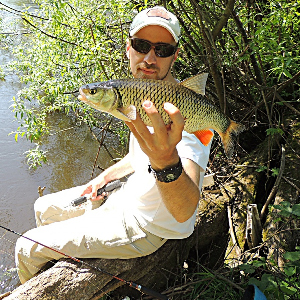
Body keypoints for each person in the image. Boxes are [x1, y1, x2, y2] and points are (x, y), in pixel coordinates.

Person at [15, 6, 212, 284]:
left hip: (148, 225)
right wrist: (106, 176)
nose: (149, 58)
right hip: (128, 196)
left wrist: (167, 162)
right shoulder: (139, 92)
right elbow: (141, 154)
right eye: (141, 46)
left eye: (162, 50)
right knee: (43, 207)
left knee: (26, 247)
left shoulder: (181, 115)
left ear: (175, 55)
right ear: (128, 48)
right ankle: (55, 266)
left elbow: (184, 212)